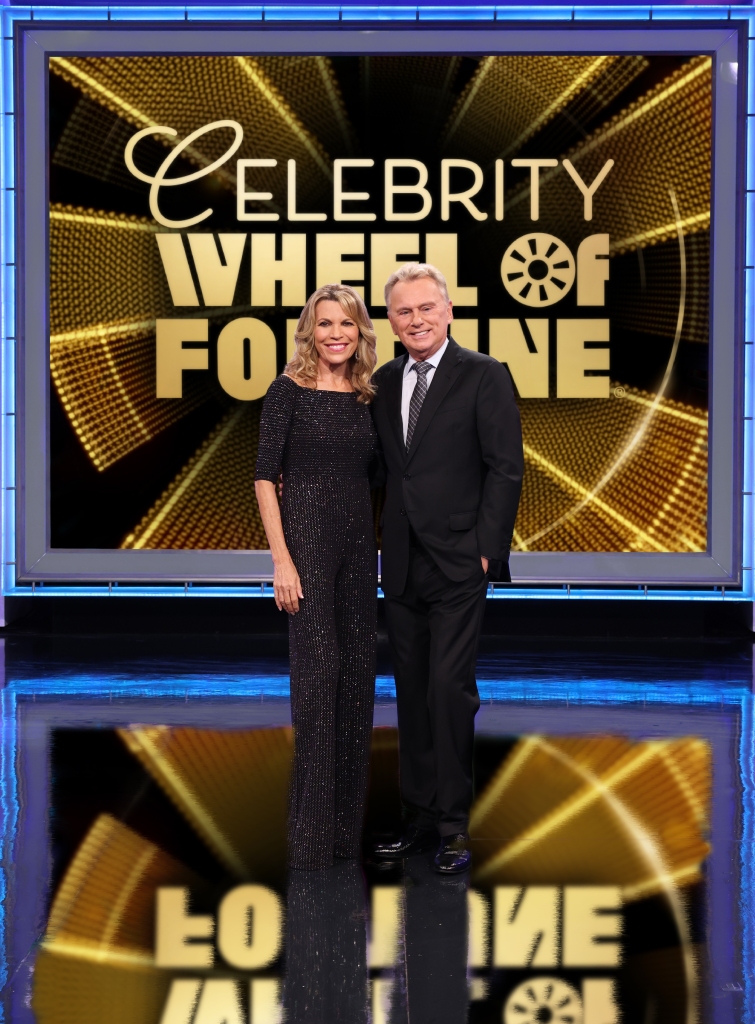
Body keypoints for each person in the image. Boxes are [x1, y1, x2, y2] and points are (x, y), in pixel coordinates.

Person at [371, 263, 523, 874]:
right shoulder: (382, 382)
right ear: (391, 321)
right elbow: (388, 471)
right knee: (411, 694)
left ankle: (455, 828)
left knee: (448, 690)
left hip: (461, 560)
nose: (416, 320)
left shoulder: (484, 375)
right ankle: (418, 821)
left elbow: (505, 468)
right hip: (403, 561)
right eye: (404, 312)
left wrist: (490, 549)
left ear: (448, 311)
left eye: (426, 308)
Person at [254, 284, 378, 870]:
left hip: (359, 549)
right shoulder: (287, 391)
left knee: (357, 683)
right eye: (325, 324)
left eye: (346, 324)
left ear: (359, 332)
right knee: (317, 680)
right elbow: (263, 478)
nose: (336, 334)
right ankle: (309, 837)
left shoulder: (367, 395)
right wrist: (281, 560)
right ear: (310, 330)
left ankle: (342, 836)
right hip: (304, 545)